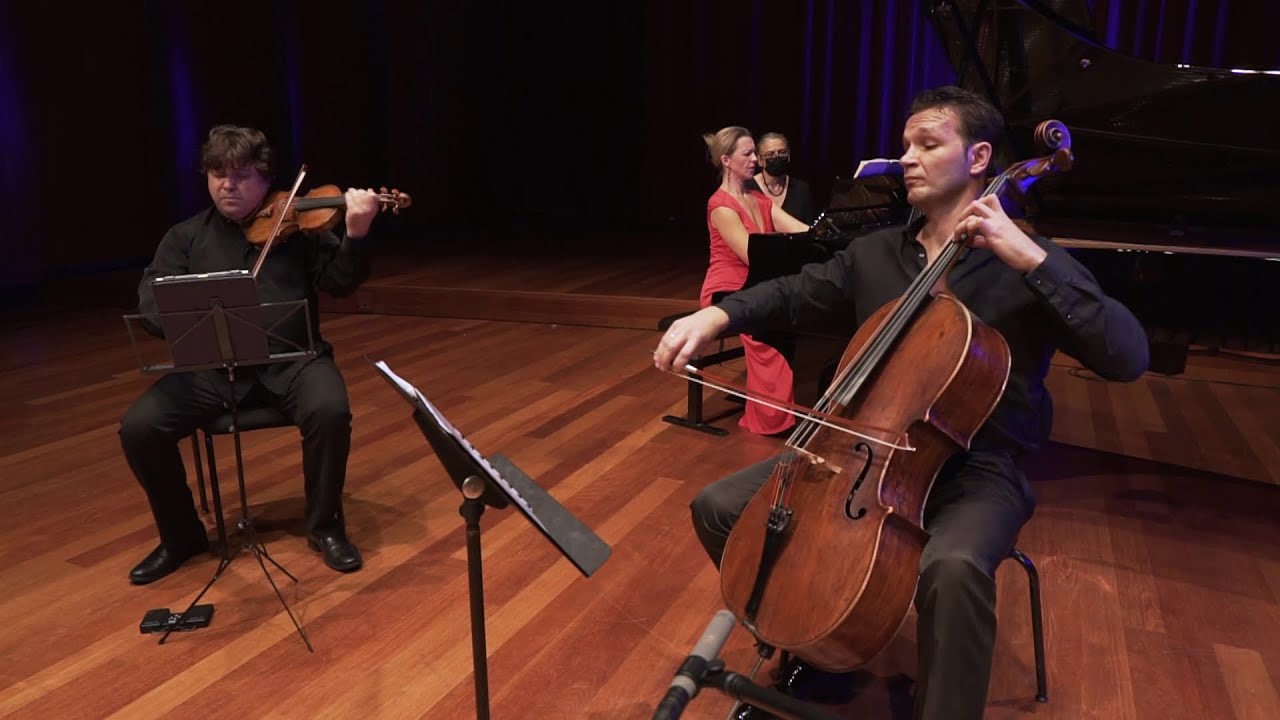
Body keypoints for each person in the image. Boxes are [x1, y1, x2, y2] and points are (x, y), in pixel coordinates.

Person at [658, 87, 1149, 719]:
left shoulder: (1029, 261)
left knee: (953, 567)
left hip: (976, 467)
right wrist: (719, 314)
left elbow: (1127, 356)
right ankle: (810, 640)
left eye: (927, 145)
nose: (906, 159)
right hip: (860, 451)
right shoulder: (878, 253)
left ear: (979, 158)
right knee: (719, 507)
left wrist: (1030, 259)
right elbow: (792, 293)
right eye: (905, 145)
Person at [120, 124, 382, 584]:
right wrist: (172, 317)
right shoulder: (184, 238)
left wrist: (356, 235)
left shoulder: (298, 226)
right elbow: (151, 300)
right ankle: (182, 537)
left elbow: (339, 283)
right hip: (212, 369)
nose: (227, 184)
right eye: (217, 173)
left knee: (330, 409)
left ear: (265, 179)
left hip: (294, 361)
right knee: (139, 428)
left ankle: (326, 528)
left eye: (240, 175)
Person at [700, 126, 810, 436]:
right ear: (726, 160)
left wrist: (830, 238)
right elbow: (752, 256)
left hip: (758, 283)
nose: (754, 160)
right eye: (747, 154)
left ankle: (792, 412)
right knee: (770, 330)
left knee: (795, 323)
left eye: (753, 153)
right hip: (728, 289)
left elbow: (803, 231)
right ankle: (772, 422)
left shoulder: (759, 200)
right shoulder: (720, 205)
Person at [747, 132, 816, 225]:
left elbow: (810, 227)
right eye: (770, 154)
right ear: (759, 160)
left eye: (782, 152)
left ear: (789, 156)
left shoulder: (801, 188)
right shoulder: (747, 188)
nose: (776, 157)